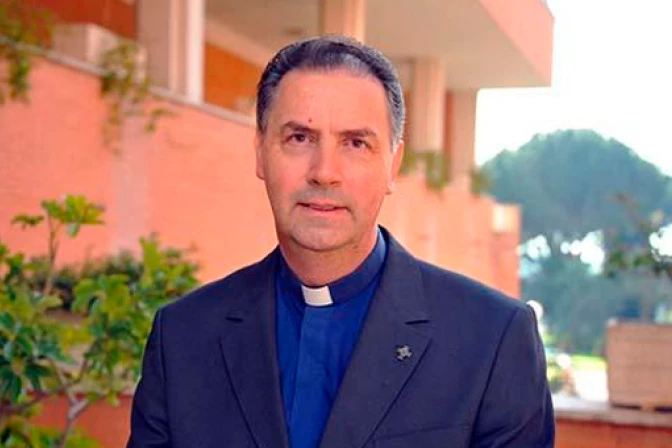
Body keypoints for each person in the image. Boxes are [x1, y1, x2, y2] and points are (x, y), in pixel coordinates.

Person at [127, 35, 554, 448]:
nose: (324, 172)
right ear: (260, 152)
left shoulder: (492, 338)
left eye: (355, 143)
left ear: (392, 165)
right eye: (299, 138)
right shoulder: (182, 337)